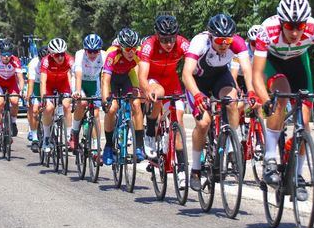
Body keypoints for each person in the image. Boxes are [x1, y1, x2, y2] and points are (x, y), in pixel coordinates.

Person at [252, 0, 314, 200]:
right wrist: (265, 100)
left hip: (297, 62)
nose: (295, 32)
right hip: (274, 62)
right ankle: (269, 159)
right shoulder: (267, 30)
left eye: (299, 26)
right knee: (282, 94)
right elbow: (256, 74)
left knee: (304, 123)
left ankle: (297, 174)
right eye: (289, 26)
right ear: (281, 22)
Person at [183, 14, 257, 191]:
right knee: (204, 123)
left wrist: (252, 91)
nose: (224, 44)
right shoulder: (199, 42)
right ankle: (195, 169)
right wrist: (197, 95)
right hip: (197, 81)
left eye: (228, 40)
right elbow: (186, 74)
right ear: (211, 37)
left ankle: (232, 145)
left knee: (232, 102)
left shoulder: (237, 42)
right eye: (220, 40)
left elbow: (247, 70)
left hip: (220, 77)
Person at [139, 14, 190, 188]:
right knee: (159, 94)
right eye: (164, 39)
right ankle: (150, 132)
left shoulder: (182, 43)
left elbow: (195, 64)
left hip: (172, 81)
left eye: (172, 39)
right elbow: (142, 76)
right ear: (157, 35)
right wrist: (147, 90)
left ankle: (182, 169)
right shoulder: (148, 46)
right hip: (154, 80)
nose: (169, 44)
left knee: (179, 122)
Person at [100, 28, 145, 164]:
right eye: (127, 49)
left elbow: (142, 74)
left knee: (136, 104)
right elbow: (105, 80)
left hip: (126, 76)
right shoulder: (112, 55)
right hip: (112, 79)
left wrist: (143, 91)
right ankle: (108, 146)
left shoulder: (138, 54)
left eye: (133, 48)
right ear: (121, 47)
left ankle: (139, 146)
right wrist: (105, 100)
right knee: (112, 109)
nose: (131, 52)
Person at [70, 33, 105, 151]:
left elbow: (105, 76)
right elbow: (78, 74)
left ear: (100, 50)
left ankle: (96, 146)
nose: (93, 54)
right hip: (80, 81)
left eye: (96, 51)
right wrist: (78, 91)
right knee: (83, 103)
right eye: (89, 51)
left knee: (95, 114)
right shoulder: (80, 54)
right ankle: (74, 133)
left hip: (94, 83)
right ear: (85, 50)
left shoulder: (104, 56)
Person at [0, 42, 25, 146]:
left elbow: (20, 78)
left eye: (8, 54)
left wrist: (21, 90)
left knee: (15, 101)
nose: (6, 57)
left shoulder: (15, 60)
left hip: (11, 82)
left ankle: (13, 122)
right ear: (0, 54)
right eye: (4, 54)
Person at [40, 38, 74, 153]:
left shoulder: (69, 59)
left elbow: (73, 75)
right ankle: (46, 137)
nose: (60, 57)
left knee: (66, 105)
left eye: (62, 54)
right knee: (49, 108)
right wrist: (43, 97)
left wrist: (74, 91)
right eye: (57, 55)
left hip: (63, 84)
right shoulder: (46, 61)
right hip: (49, 85)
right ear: (51, 54)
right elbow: (43, 81)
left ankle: (69, 137)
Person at [26, 46, 49, 152]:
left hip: (48, 85)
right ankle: (35, 137)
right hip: (36, 85)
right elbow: (30, 81)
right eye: (42, 59)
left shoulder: (52, 62)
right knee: (34, 110)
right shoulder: (34, 63)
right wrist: (29, 97)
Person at [231, 24, 262, 92]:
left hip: (251, 76)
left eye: (260, 43)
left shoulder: (265, 51)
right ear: (249, 41)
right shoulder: (241, 49)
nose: (257, 47)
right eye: (254, 43)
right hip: (237, 75)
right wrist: (237, 89)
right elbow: (233, 75)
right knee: (237, 98)